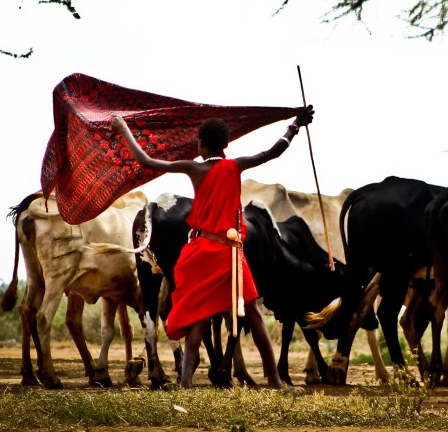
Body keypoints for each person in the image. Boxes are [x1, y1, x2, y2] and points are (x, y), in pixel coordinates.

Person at [111, 105, 314, 389]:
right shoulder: (236, 165)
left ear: (200, 144)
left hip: (202, 252)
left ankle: (185, 384)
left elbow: (145, 161)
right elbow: (272, 152)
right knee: (253, 315)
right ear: (227, 144)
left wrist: (123, 130)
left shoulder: (193, 168)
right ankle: (276, 381)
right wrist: (295, 126)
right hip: (231, 254)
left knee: (200, 317)